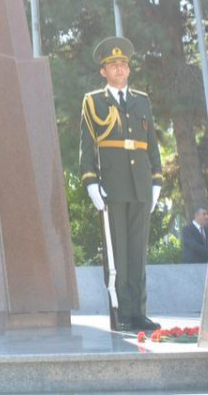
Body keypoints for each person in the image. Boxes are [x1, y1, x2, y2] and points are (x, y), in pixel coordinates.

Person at [79, 36, 164, 333]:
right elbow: (87, 146)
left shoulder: (142, 101)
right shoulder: (93, 102)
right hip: (112, 187)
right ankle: (121, 313)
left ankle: (140, 312)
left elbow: (151, 143)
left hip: (140, 185)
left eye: (123, 64)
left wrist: (157, 180)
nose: (119, 69)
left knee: (137, 253)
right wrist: (90, 182)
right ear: (103, 71)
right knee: (117, 254)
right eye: (113, 65)